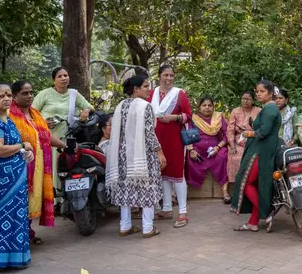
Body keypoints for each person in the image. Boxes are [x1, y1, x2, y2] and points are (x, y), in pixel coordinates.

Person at [106, 76, 167, 238]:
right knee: (148, 188)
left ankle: (124, 226)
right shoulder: (145, 106)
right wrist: (159, 152)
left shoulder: (120, 105)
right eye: (145, 86)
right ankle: (148, 228)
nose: (149, 89)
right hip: (143, 154)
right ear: (135, 89)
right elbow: (149, 133)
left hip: (122, 155)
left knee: (126, 188)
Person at [9, 81, 68, 245]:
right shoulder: (9, 116)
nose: (29, 96)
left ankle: (27, 233)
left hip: (39, 167)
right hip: (19, 168)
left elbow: (46, 136)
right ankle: (18, 238)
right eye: (24, 93)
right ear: (14, 96)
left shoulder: (36, 114)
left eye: (31, 93)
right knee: (20, 202)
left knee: (33, 201)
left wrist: (65, 145)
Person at [0, 83, 34, 272]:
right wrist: (23, 144)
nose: (6, 98)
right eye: (0, 96)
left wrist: (25, 152)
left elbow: (17, 148)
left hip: (15, 181)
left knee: (14, 217)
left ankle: (12, 258)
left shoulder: (9, 121)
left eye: (8, 95)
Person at [32, 67, 94, 199]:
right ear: (53, 80)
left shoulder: (73, 94)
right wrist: (43, 123)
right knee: (48, 168)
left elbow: (89, 106)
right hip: (47, 139)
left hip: (67, 138)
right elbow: (31, 113)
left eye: (66, 75)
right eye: (60, 76)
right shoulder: (45, 94)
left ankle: (63, 200)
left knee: (64, 168)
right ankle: (49, 200)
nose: (64, 78)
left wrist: (86, 111)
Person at [231, 80, 282, 232]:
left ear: (271, 93)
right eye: (257, 91)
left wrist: (248, 133)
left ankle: (266, 212)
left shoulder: (270, 108)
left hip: (261, 152)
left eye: (262, 91)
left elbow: (263, 132)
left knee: (244, 182)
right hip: (261, 150)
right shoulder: (267, 108)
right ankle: (253, 223)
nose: (259, 94)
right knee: (257, 185)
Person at [148, 65, 192, 228]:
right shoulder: (152, 94)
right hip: (156, 140)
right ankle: (166, 208)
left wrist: (174, 117)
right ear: (159, 76)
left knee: (177, 173)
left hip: (174, 140)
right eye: (165, 75)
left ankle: (182, 212)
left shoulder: (179, 94)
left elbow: (188, 115)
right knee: (163, 173)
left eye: (171, 75)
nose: (169, 78)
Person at [186, 97, 230, 202]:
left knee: (223, 156)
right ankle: (186, 191)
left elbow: (227, 135)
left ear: (213, 107)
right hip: (198, 148)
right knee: (189, 157)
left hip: (216, 148)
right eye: (204, 105)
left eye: (210, 105)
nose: (207, 108)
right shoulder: (194, 118)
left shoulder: (219, 117)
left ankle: (225, 191)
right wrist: (191, 150)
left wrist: (218, 147)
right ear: (199, 107)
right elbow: (189, 136)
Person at [227, 91, 261, 195]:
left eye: (248, 99)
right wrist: (232, 146)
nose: (245, 101)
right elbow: (230, 130)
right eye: (243, 99)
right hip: (239, 142)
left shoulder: (259, 111)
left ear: (253, 100)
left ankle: (251, 187)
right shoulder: (235, 111)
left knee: (254, 159)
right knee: (235, 157)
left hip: (254, 140)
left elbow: (262, 128)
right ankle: (236, 189)